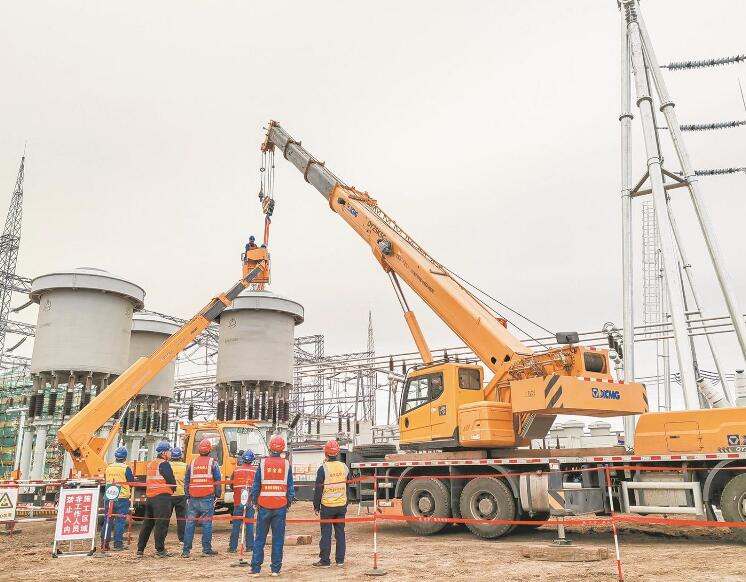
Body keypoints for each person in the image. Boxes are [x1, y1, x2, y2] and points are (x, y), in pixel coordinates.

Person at [250, 435, 294, 577]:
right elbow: (290, 487)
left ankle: (256, 569)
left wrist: (255, 501)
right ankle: (275, 569)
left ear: (270, 447)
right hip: (280, 506)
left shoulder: (262, 464)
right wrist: (287, 502)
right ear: (282, 449)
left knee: (260, 538)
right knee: (278, 538)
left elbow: (256, 485)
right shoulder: (286, 464)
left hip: (264, 505)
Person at [181, 438, 222, 558]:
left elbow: (187, 481)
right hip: (207, 497)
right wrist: (217, 495)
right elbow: (217, 481)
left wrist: (187, 495)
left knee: (190, 524)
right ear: (210, 450)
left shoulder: (192, 463)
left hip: (193, 498)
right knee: (207, 523)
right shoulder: (212, 463)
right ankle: (206, 549)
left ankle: (186, 551)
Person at [137, 441, 176, 558]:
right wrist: (173, 489)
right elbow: (171, 480)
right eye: (169, 451)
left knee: (147, 524)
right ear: (164, 453)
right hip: (162, 498)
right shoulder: (164, 464)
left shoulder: (151, 464)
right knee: (161, 524)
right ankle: (160, 550)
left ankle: (140, 549)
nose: (170, 453)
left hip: (150, 497)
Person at [313, 440, 349, 568]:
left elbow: (318, 489)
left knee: (326, 534)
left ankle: (325, 561)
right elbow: (347, 486)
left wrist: (316, 506)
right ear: (338, 452)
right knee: (340, 534)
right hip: (341, 506)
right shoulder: (344, 467)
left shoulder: (323, 469)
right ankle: (340, 560)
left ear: (325, 453)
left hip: (327, 507)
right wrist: (346, 502)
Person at [101, 446, 135, 551]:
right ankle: (118, 544)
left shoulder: (109, 467)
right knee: (120, 521)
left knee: (108, 520)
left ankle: (104, 543)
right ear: (125, 457)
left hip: (110, 496)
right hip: (122, 497)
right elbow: (131, 482)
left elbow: (106, 479)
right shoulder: (126, 468)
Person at [228, 449, 257, 553]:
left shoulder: (236, 470)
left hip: (238, 502)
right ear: (252, 460)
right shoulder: (255, 471)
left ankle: (232, 547)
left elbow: (231, 485)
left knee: (236, 524)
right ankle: (250, 546)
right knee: (249, 524)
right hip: (250, 502)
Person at [169, 447, 188, 544]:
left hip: (169, 495)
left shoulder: (166, 465)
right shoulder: (185, 466)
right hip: (181, 494)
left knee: (165, 518)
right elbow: (188, 480)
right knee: (181, 518)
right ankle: (182, 539)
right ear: (180, 456)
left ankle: (162, 538)